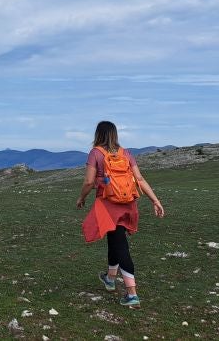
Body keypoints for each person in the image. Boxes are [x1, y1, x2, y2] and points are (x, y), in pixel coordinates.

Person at [76, 120, 165, 308]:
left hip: (108, 205)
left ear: (98, 134)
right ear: (115, 134)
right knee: (114, 239)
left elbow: (89, 181)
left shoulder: (96, 153)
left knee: (120, 244)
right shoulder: (126, 153)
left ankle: (132, 294)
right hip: (128, 204)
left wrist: (81, 197)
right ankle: (110, 278)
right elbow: (139, 179)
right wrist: (155, 200)